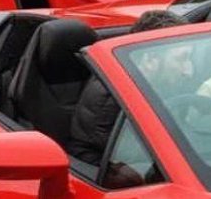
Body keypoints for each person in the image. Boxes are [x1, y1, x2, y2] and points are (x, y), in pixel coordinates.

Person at [69, 10, 190, 174]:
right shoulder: (112, 99)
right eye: (181, 59)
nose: (189, 71)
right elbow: (129, 163)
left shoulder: (162, 83)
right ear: (149, 60)